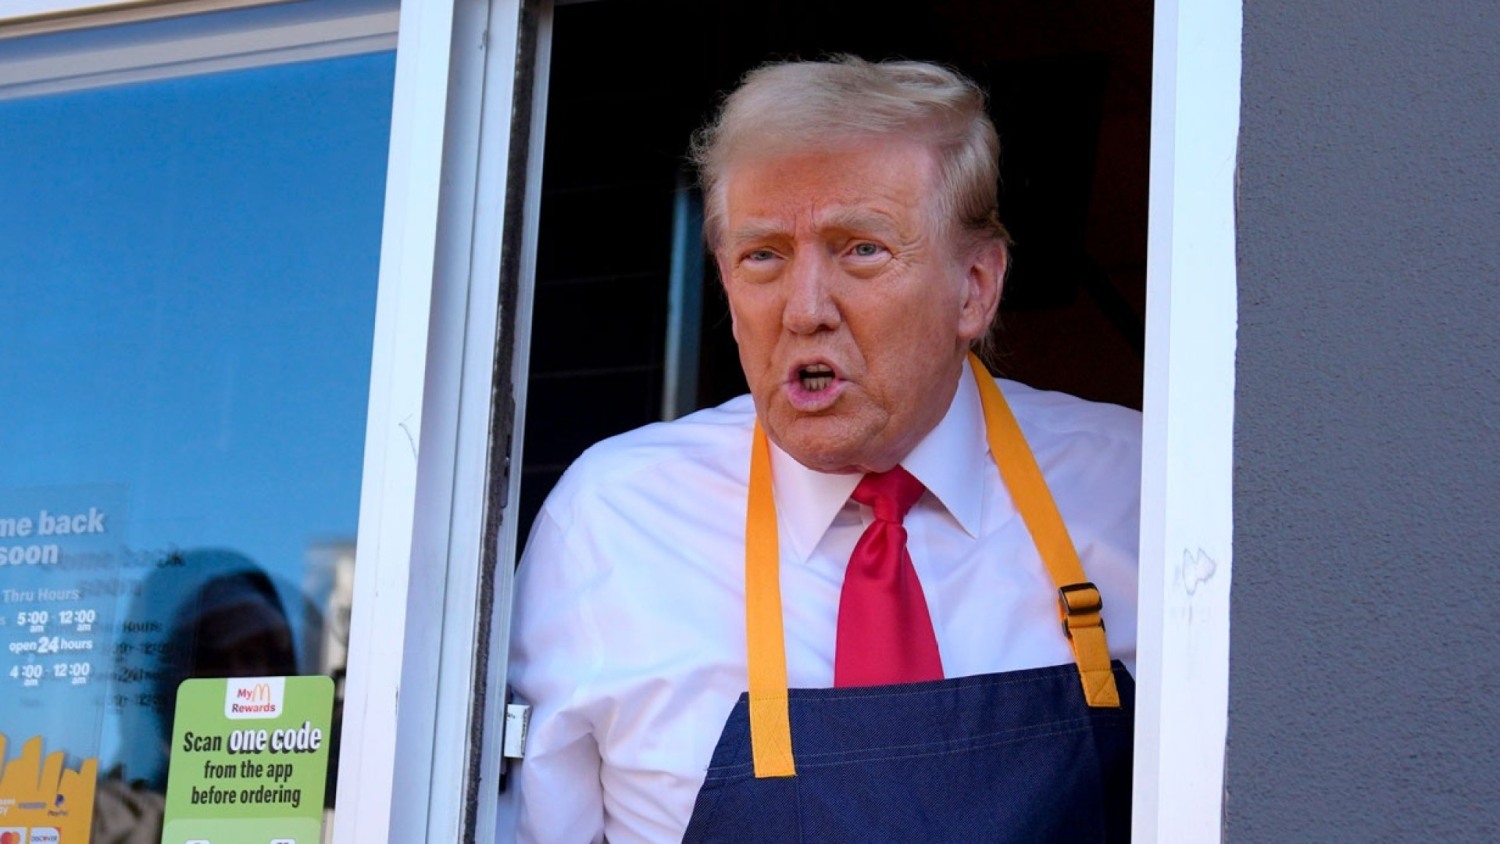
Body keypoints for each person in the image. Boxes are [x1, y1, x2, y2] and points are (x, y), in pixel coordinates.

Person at [499, 55, 1141, 842]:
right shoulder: (610, 523)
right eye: (763, 255)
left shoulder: (1144, 489)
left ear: (974, 286)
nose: (804, 311)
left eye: (861, 249)